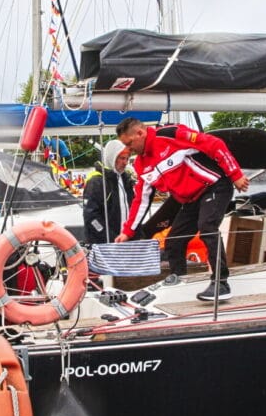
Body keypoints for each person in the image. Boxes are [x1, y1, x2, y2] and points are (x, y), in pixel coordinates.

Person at [114, 118, 250, 301]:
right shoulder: (140, 164)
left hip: (215, 185)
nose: (129, 149)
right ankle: (181, 281)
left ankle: (221, 283)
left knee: (207, 227)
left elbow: (214, 144)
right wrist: (127, 232)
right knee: (173, 241)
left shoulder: (171, 134)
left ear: (140, 133)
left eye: (130, 143)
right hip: (191, 198)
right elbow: (141, 199)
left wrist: (236, 174)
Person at [82, 139, 134, 244]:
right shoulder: (96, 182)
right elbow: (91, 217)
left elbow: (133, 209)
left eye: (127, 158)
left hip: (124, 242)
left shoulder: (126, 180)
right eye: (122, 158)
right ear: (112, 157)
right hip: (105, 244)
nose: (125, 162)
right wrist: (109, 237)